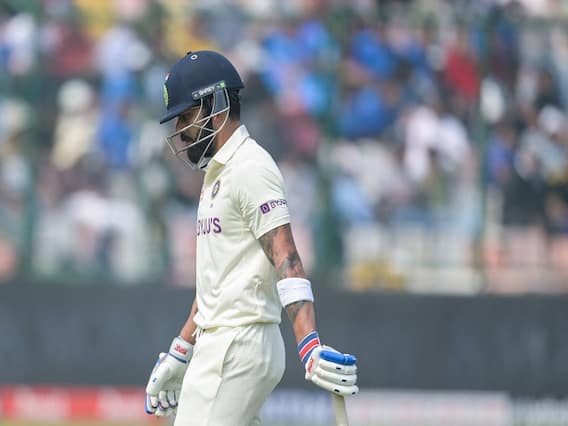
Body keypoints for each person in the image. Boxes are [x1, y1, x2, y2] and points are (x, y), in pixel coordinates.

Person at [144, 50, 358, 425]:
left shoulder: (250, 167)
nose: (180, 128)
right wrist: (181, 349)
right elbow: (215, 283)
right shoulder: (217, 174)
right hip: (221, 341)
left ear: (216, 105)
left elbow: (287, 258)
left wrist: (309, 344)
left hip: (238, 343)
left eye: (186, 115)